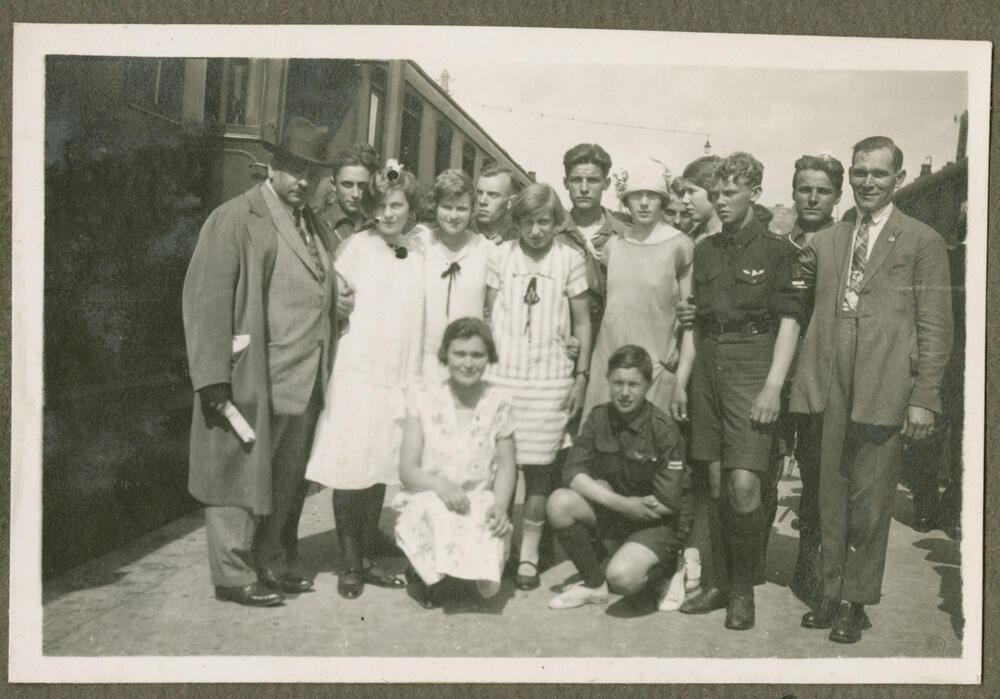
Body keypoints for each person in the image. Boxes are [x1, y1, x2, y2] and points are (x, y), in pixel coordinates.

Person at [791, 136, 952, 643]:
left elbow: (935, 325)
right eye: (859, 172)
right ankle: (830, 590)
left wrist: (924, 397)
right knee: (829, 494)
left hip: (886, 380)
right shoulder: (830, 239)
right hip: (830, 376)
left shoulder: (922, 240)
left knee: (871, 497)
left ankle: (854, 600)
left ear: (897, 179)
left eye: (878, 174)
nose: (867, 182)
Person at [182, 116, 338, 606]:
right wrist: (212, 376)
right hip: (255, 373)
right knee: (236, 471)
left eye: (312, 173)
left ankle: (267, 560)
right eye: (294, 169)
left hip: (305, 377)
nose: (303, 182)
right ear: (274, 165)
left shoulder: (314, 225)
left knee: (285, 481)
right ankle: (232, 575)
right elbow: (206, 299)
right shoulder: (235, 217)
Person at [670, 152, 806, 630]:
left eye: (731, 193)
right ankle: (719, 583)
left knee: (744, 485)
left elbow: (790, 322)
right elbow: (695, 321)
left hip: (753, 364)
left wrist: (773, 386)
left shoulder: (778, 250)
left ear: (755, 193)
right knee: (713, 483)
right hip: (709, 364)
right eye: (716, 193)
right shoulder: (705, 250)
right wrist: (682, 381)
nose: (721, 201)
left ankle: (743, 589)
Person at [305, 161, 426, 599]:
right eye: (380, 206)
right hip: (359, 373)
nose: (387, 214)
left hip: (398, 375)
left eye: (396, 206)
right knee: (350, 465)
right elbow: (334, 301)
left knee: (379, 466)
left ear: (410, 208)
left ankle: (368, 556)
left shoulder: (418, 250)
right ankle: (351, 564)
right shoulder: (354, 248)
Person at [485, 183, 592, 591]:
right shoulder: (500, 256)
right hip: (502, 377)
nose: (535, 231)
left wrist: (580, 375)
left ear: (556, 222)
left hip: (550, 380)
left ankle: (529, 553)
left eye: (544, 222)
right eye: (528, 222)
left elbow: (582, 322)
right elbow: (489, 313)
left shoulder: (570, 259)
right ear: (517, 222)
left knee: (541, 472)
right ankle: (499, 546)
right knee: (499, 469)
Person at [546, 345, 694, 609]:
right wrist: (622, 504)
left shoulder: (664, 429)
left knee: (623, 578)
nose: (624, 393)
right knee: (559, 502)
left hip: (658, 522)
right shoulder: (599, 417)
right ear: (608, 381)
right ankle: (594, 584)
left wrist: (618, 502)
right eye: (618, 383)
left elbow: (667, 503)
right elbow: (571, 473)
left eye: (633, 384)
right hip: (623, 510)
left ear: (648, 385)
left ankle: (671, 568)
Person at [394, 318, 517, 608]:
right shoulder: (423, 398)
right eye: (459, 354)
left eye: (477, 355)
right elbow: (407, 470)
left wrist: (500, 505)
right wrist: (441, 486)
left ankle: (458, 577)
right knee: (436, 515)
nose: (468, 363)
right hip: (429, 494)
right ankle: (426, 575)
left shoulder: (499, 401)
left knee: (488, 521)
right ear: (445, 355)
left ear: (489, 358)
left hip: (477, 496)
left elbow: (507, 464)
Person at [583, 157, 693, 426]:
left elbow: (691, 320)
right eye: (636, 196)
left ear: (663, 200)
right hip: (608, 364)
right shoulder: (612, 246)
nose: (644, 203)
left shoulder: (680, 246)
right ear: (625, 200)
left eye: (652, 196)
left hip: (655, 368)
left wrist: (680, 378)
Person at [783, 153, 844, 608]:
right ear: (793, 192)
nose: (813, 198)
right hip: (772, 373)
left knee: (817, 475)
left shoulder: (844, 247)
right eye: (805, 189)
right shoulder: (777, 244)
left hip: (818, 376)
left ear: (837, 197)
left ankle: (811, 567)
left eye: (823, 191)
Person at [417, 169, 493, 382]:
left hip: (469, 363)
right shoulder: (418, 245)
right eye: (446, 207)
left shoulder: (486, 250)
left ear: (472, 210)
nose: (453, 216)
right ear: (435, 206)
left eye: (461, 208)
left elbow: (497, 312)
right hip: (423, 360)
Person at [556, 143, 631, 338]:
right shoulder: (553, 236)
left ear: (606, 183)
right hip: (564, 340)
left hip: (614, 340)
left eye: (593, 180)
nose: (583, 188)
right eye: (576, 180)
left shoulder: (626, 236)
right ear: (565, 183)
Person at [313, 142, 380, 249]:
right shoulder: (319, 229)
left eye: (362, 186)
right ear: (333, 184)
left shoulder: (380, 225)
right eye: (347, 185)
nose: (355, 194)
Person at [679, 155, 724, 245]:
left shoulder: (728, 242)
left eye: (691, 191)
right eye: (684, 192)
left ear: (713, 192)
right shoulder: (689, 237)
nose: (684, 200)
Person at [475, 161, 522, 244]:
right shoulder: (460, 232)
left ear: (511, 202)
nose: (482, 201)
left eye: (492, 195)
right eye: (479, 193)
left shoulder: (521, 243)